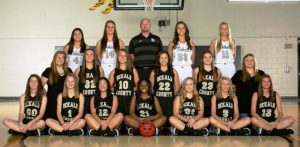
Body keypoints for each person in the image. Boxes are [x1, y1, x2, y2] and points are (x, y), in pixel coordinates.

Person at [231, 53, 265, 118]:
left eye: (252, 60)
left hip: (257, 106)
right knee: (245, 124)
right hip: (243, 107)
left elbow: (267, 86)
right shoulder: (239, 73)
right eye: (247, 60)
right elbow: (230, 85)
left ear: (255, 62)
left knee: (257, 125)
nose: (249, 62)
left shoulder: (261, 73)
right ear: (244, 62)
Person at [41, 51, 72, 120]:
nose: (60, 59)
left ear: (65, 60)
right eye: (58, 57)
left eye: (62, 58)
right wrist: (45, 95)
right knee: (50, 121)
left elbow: (73, 85)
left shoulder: (69, 71)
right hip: (51, 102)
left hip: (65, 101)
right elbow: (40, 86)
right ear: (54, 58)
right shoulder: (48, 71)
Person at [149, 50, 180, 120]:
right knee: (159, 118)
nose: (163, 60)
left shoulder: (173, 71)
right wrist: (155, 97)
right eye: (161, 58)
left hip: (170, 100)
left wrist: (172, 96)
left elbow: (177, 87)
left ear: (168, 59)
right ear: (158, 59)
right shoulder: (154, 72)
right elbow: (150, 88)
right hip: (158, 99)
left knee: (170, 118)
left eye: (165, 57)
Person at [109, 49, 139, 115]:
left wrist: (131, 89)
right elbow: (109, 87)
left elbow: (138, 86)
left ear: (127, 58)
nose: (122, 57)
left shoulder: (133, 70)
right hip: (118, 100)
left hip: (129, 99)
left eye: (124, 56)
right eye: (120, 55)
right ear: (117, 58)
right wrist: (115, 89)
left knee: (129, 118)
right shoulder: (114, 71)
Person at [75, 48, 104, 115]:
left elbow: (103, 85)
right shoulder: (79, 69)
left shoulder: (99, 69)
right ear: (84, 57)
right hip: (83, 99)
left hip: (96, 99)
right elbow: (75, 87)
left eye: (91, 54)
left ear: (94, 57)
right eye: (87, 54)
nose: (89, 56)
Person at [192, 50, 221, 118]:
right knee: (200, 117)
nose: (208, 59)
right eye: (205, 57)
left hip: (212, 99)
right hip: (200, 98)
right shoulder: (197, 70)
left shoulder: (217, 71)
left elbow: (218, 87)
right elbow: (194, 86)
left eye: (210, 57)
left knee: (211, 118)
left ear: (212, 59)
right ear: (202, 59)